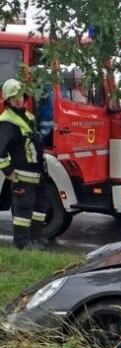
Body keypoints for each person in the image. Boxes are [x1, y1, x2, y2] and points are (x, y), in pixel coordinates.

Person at [0, 79, 49, 249]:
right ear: (8, 100)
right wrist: (8, 172)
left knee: (39, 207)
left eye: (20, 96)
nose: (18, 100)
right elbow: (0, 151)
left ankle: (35, 239)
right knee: (23, 211)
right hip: (22, 175)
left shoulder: (28, 116)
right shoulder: (6, 121)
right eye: (14, 97)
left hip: (37, 174)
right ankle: (22, 244)